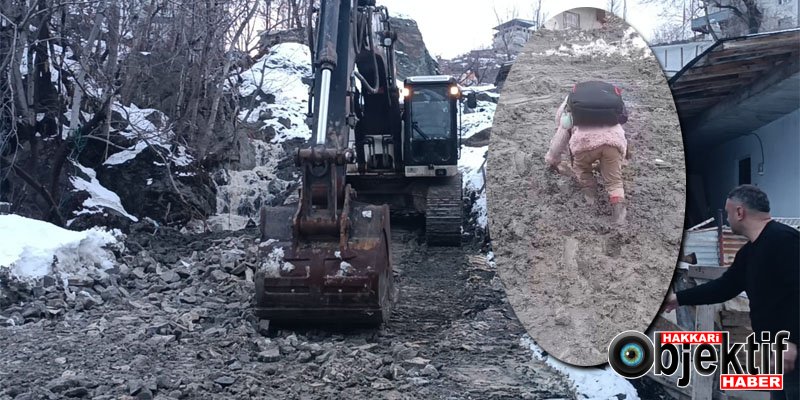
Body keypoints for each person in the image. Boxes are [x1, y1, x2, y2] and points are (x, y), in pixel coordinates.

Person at [662, 185, 799, 400]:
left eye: (728, 212)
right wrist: (678, 299)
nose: (727, 218)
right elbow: (725, 287)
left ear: (739, 212)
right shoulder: (749, 253)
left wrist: (792, 341)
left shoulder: (784, 240)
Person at [544, 94, 631, 225]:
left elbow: (558, 142)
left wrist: (552, 159)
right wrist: (623, 156)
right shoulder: (609, 103)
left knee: (583, 172)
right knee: (614, 182)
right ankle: (620, 217)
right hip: (613, 142)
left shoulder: (569, 108)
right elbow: (620, 133)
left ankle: (591, 201)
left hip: (584, 143)